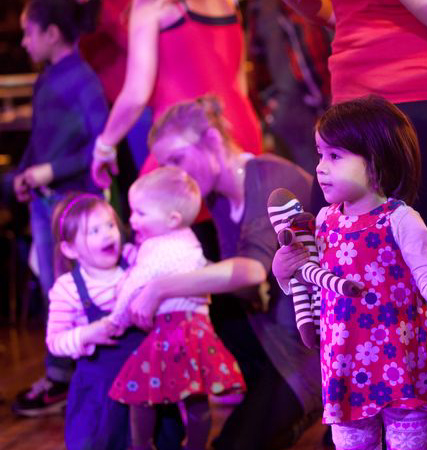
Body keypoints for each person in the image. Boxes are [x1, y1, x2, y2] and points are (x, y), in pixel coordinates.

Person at [282, 1, 427, 445]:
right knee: (334, 255)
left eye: (326, 159)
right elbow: (333, 13)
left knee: (411, 282)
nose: (319, 166)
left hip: (421, 92)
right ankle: (356, 417)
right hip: (351, 89)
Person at [125, 96, 319, 449]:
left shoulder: (269, 177)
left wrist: (159, 288)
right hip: (267, 342)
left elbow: (251, 272)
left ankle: (310, 406)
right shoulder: (217, 199)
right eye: (166, 165)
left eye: (178, 159)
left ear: (212, 141)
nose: (176, 173)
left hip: (307, 350)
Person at [11, 0, 107, 417]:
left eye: (28, 31)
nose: (23, 41)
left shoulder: (82, 80)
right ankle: (59, 373)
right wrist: (24, 171)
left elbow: (99, 144)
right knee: (55, 290)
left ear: (51, 33)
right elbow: (37, 138)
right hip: (44, 202)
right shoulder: (46, 79)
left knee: (70, 290)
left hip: (71, 202)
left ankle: (69, 375)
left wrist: (49, 169)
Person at [107, 166, 244, 450]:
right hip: (199, 330)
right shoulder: (190, 241)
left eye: (141, 213)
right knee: (195, 397)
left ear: (172, 219)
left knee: (140, 393)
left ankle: (141, 445)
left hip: (171, 330)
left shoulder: (157, 247)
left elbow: (135, 282)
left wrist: (116, 319)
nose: (132, 220)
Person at [46, 193, 182, 450]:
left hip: (149, 382)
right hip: (102, 395)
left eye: (110, 225)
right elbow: (55, 341)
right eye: (94, 231)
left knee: (160, 438)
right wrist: (88, 334)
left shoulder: (132, 259)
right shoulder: (68, 289)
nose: (108, 234)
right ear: (70, 248)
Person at [90, 0, 263, 188]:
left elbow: (137, 95)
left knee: (151, 207)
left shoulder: (152, 6)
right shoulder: (227, 4)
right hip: (240, 133)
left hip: (186, 143)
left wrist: (104, 146)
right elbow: (240, 86)